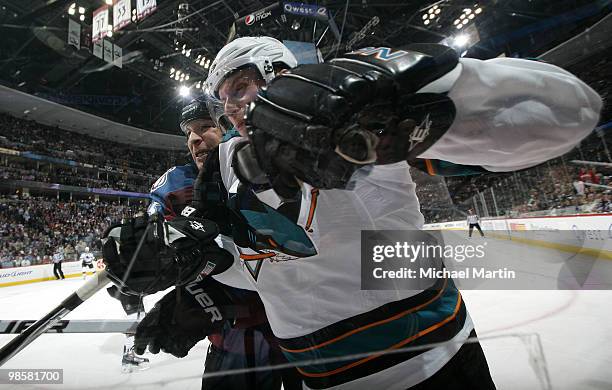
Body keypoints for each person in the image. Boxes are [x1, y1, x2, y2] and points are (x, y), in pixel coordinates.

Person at [121, 37, 601, 389]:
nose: (233, 110)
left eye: (242, 87)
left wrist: (396, 102)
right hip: (320, 381)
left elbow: (570, 111)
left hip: (434, 362)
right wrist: (200, 266)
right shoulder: (225, 167)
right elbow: (268, 269)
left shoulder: (354, 110)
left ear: (281, 75)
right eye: (224, 100)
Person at [144, 96, 300, 389]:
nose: (194, 139)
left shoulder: (281, 169)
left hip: (308, 324)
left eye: (204, 127)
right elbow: (158, 252)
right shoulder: (176, 189)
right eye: (188, 132)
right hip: (240, 334)